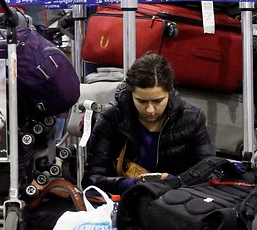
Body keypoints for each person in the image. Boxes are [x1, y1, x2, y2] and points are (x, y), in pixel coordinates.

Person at [83, 53, 215, 195]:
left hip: (177, 204)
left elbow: (210, 174)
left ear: (169, 92)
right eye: (142, 101)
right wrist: (131, 184)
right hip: (125, 202)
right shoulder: (112, 117)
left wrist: (173, 182)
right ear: (130, 92)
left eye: (158, 101)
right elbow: (91, 181)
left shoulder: (192, 118)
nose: (150, 110)